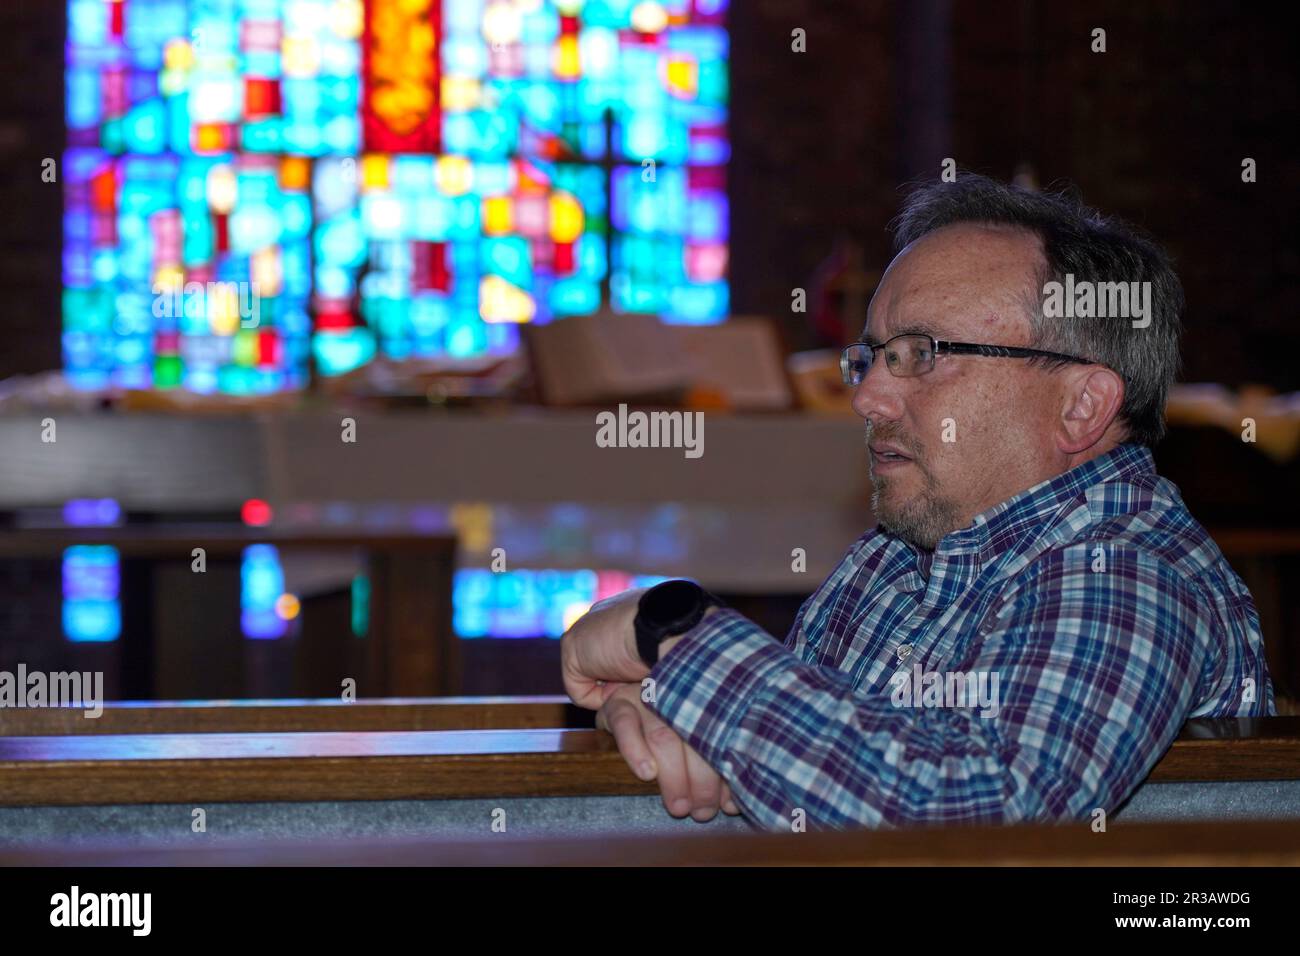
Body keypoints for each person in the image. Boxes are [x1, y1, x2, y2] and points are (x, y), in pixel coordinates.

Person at [560, 174, 1276, 831]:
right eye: (870, 357)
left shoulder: (1127, 573)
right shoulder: (896, 559)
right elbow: (821, 755)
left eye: (924, 354)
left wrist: (675, 634)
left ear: (1082, 403)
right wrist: (660, 719)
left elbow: (982, 820)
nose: (868, 397)